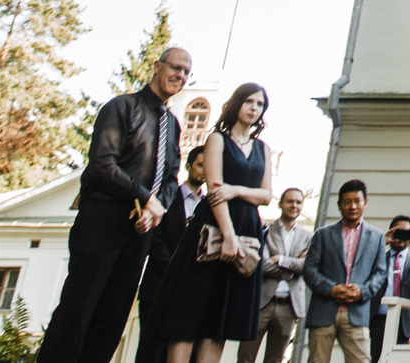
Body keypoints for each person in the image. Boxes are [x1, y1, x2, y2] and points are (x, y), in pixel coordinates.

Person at [42, 47, 194, 363]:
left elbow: (170, 179)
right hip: (102, 221)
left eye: (186, 73)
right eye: (175, 67)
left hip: (141, 232)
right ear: (157, 66)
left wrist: (154, 213)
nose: (180, 75)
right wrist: (144, 198)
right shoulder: (121, 108)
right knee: (78, 309)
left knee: (112, 317)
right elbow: (102, 165)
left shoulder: (173, 125)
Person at [157, 82, 275, 363]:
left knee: (219, 321)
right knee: (189, 313)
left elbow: (267, 195)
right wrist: (229, 236)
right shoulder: (217, 140)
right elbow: (214, 189)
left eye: (259, 105)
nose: (254, 108)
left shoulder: (263, 148)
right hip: (212, 228)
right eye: (249, 102)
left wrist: (236, 190)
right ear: (237, 104)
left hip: (248, 228)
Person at [305, 181, 388, 363]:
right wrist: (331, 289)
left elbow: (380, 273)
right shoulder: (322, 234)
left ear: (365, 202)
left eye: (357, 201)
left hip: (357, 312)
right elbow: (309, 269)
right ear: (339, 205)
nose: (352, 206)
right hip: (324, 311)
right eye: (346, 202)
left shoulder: (377, 237)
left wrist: (362, 292)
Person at [140, 150, 210, 363]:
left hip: (191, 291)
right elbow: (155, 239)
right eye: (200, 165)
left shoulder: (209, 206)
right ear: (188, 166)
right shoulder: (168, 197)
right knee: (151, 352)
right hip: (158, 286)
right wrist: (175, 268)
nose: (204, 171)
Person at [244, 188, 312, 363]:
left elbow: (308, 266)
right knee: (246, 357)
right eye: (290, 201)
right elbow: (262, 265)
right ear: (280, 204)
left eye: (298, 202)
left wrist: (280, 259)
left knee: (275, 359)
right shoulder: (266, 230)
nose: (294, 206)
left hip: (288, 306)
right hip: (261, 303)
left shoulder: (308, 237)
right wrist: (294, 266)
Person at [373, 218, 410, 361]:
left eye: (405, 233)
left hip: (405, 323)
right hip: (378, 321)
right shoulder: (378, 258)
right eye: (398, 232)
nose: (401, 237)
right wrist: (380, 243)